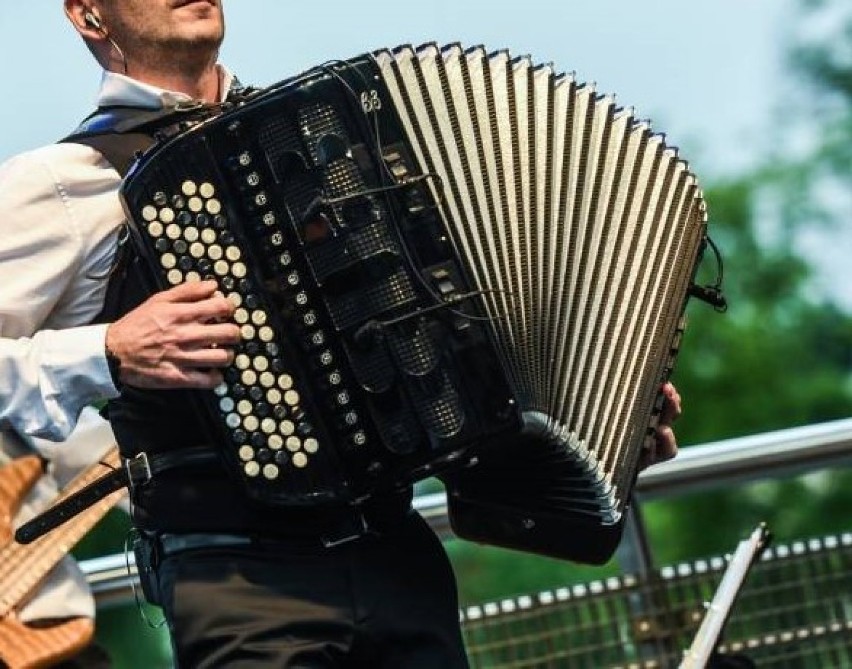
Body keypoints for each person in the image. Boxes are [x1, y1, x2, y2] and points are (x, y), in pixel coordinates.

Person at [0, 1, 683, 667]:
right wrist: (106, 350)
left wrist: (605, 426)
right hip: (240, 579)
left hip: (397, 559)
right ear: (88, 15)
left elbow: (446, 357)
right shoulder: (64, 184)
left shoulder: (324, 144)